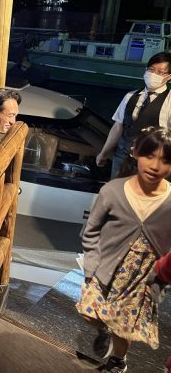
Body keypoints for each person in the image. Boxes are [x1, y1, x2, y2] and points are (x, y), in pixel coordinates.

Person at [77, 126, 171, 373]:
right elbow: (91, 231)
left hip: (143, 275)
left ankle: (118, 361)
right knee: (88, 312)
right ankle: (105, 328)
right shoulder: (113, 191)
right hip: (106, 267)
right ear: (135, 153)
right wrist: (91, 266)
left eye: (165, 160)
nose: (155, 166)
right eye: (149, 156)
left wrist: (159, 281)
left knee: (123, 326)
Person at [96, 52, 171, 179]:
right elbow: (118, 127)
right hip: (121, 157)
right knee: (116, 189)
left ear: (169, 76)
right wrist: (103, 153)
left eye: (160, 72)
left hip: (152, 164)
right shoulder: (130, 96)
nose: (154, 74)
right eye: (151, 69)